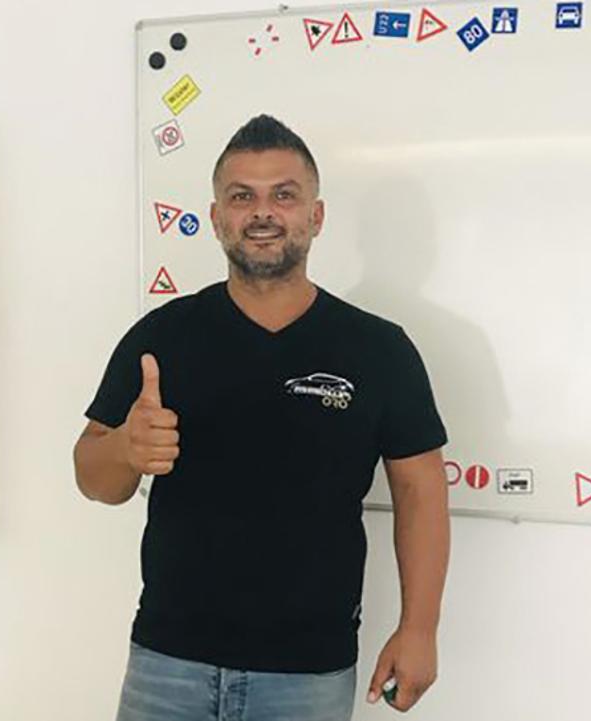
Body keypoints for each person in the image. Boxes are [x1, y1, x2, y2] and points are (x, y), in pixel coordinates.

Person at [72, 114, 450, 721]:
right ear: (217, 217)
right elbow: (94, 479)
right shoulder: (160, 338)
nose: (263, 212)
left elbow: (421, 491)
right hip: (167, 662)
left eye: (284, 195)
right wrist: (123, 450)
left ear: (316, 216)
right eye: (242, 196)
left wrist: (420, 630)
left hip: (309, 672)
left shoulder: (380, 349)